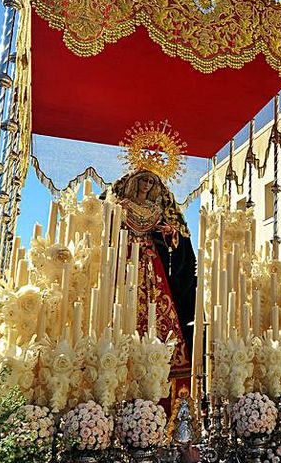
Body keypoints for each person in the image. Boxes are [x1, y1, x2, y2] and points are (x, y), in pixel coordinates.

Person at [111, 169, 197, 395]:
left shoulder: (156, 210)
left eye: (151, 182)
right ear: (135, 182)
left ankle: (165, 359)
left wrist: (169, 232)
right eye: (144, 180)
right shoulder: (122, 205)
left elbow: (170, 235)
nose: (147, 185)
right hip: (127, 256)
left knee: (158, 303)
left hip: (151, 261)